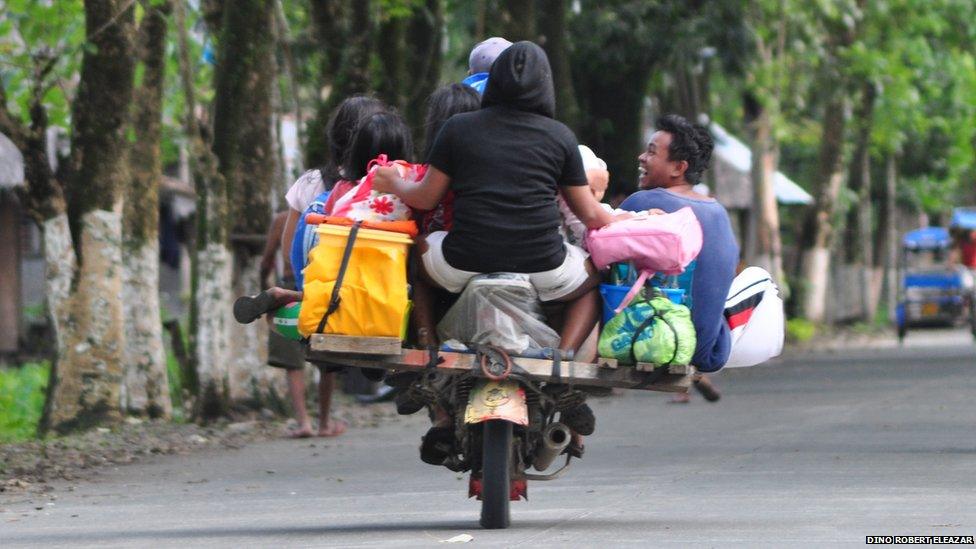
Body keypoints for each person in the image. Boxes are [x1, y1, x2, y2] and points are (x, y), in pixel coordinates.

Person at [373, 42, 629, 453]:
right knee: (591, 282)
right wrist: (631, 218)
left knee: (417, 257)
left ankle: (427, 348)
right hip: (543, 263)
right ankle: (565, 358)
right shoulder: (560, 136)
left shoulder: (457, 129)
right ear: (547, 87)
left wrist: (390, 183)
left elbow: (424, 198)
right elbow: (590, 214)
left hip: (463, 261)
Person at [620, 114, 738, 401]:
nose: (641, 157)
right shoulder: (719, 212)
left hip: (653, 341)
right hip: (711, 351)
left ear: (678, 167)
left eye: (651, 152)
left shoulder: (643, 203)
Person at [259, 211, 345, 437]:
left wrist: (264, 290)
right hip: (321, 288)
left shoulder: (281, 219)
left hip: (288, 289)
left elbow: (267, 260)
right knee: (326, 358)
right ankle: (324, 423)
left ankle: (304, 422)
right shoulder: (332, 215)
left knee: (292, 363)